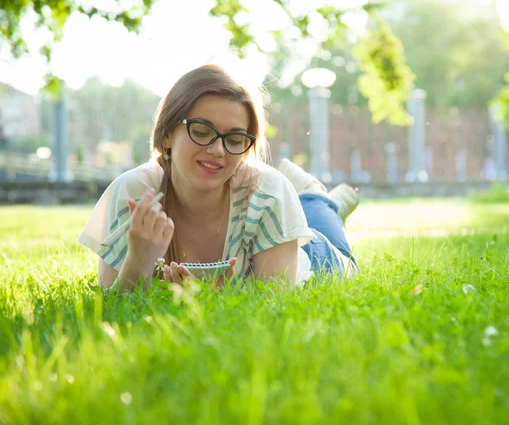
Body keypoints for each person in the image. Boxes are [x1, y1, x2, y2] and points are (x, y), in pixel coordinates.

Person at [77, 64, 359, 291]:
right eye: (201, 131)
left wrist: (220, 297)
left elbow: (275, 301)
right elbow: (110, 304)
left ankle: (320, 198)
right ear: (166, 136)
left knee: (318, 213)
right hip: (276, 222)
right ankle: (310, 197)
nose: (217, 150)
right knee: (295, 206)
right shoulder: (134, 194)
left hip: (313, 255)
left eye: (234, 138)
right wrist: (138, 259)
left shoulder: (268, 192)